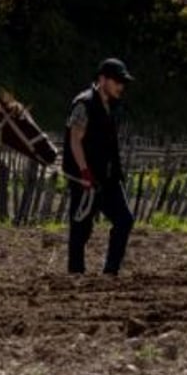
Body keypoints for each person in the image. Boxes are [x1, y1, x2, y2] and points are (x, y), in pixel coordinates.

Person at [63, 58, 135, 275]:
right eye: (117, 81)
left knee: (124, 220)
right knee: (81, 230)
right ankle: (76, 275)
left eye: (122, 82)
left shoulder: (113, 105)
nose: (121, 86)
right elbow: (75, 140)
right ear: (102, 79)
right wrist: (84, 172)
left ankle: (110, 272)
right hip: (86, 178)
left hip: (108, 178)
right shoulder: (84, 104)